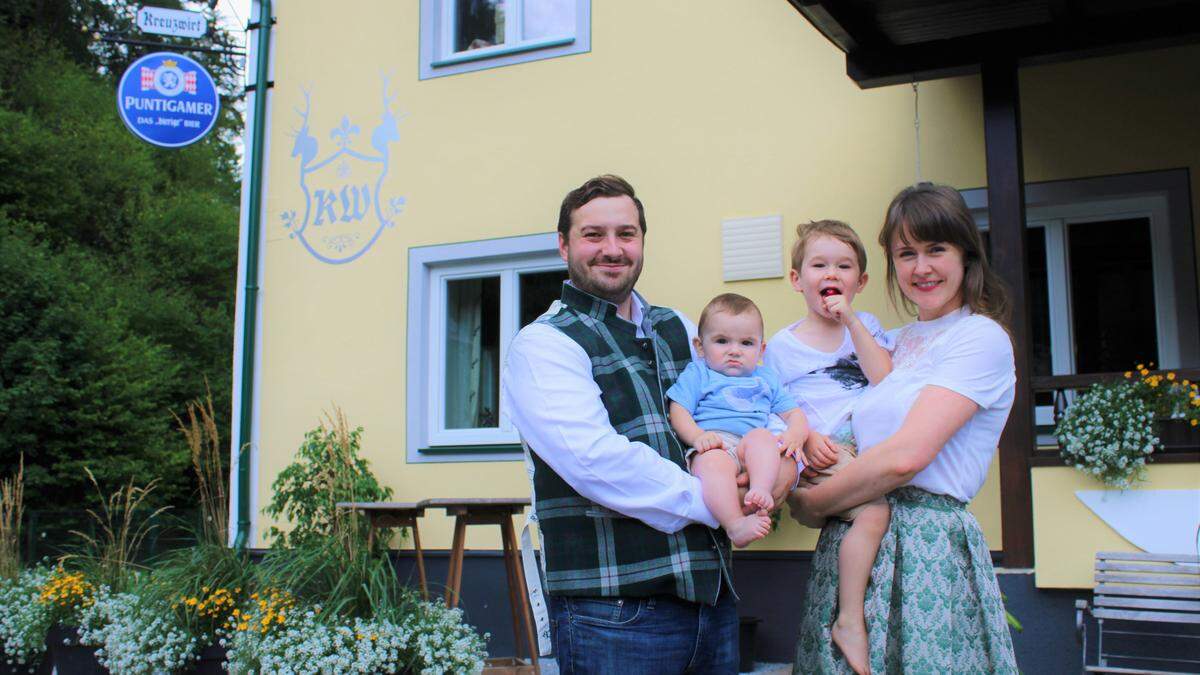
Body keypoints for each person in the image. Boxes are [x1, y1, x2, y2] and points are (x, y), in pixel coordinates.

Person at [502, 174, 798, 674]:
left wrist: (780, 469)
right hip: (612, 612)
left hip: (711, 598)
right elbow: (596, 462)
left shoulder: (680, 327)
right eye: (593, 234)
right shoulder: (544, 344)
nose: (612, 248)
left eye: (627, 234)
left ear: (642, 241)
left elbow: (745, 411)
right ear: (563, 245)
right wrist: (719, 503)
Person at [789, 183, 1019, 674]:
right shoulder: (895, 340)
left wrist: (810, 503)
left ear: (966, 254)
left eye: (936, 249)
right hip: (855, 537)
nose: (921, 267)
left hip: (924, 548)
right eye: (906, 253)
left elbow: (905, 457)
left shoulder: (980, 337)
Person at [765, 220, 893, 674]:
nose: (831, 273)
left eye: (843, 266)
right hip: (820, 451)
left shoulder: (868, 328)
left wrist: (853, 322)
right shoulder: (781, 346)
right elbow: (771, 406)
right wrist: (806, 435)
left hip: (869, 449)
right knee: (875, 512)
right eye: (819, 265)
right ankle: (849, 620)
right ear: (798, 280)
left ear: (860, 282)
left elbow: (886, 380)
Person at [666, 293, 810, 548]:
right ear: (700, 346)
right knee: (712, 463)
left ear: (761, 349)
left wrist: (796, 434)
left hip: (751, 444)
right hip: (716, 440)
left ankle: (761, 490)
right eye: (722, 341)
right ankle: (735, 524)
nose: (734, 351)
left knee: (764, 438)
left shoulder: (766, 377)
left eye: (746, 343)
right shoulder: (699, 372)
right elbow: (678, 409)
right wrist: (698, 436)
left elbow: (793, 413)